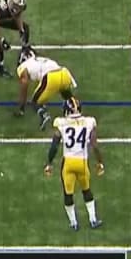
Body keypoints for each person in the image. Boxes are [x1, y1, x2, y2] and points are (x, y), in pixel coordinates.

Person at [44, 98, 104, 231]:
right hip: (82, 162)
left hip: (69, 163)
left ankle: (73, 223)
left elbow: (54, 145)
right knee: (87, 190)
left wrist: (49, 163)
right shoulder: (89, 122)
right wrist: (100, 162)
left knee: (68, 193)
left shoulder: (61, 123)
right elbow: (94, 145)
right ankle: (93, 219)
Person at [15, 46, 77, 130]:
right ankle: (76, 110)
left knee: (34, 102)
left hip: (52, 77)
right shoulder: (40, 59)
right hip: (65, 73)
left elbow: (24, 83)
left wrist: (21, 107)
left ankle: (44, 115)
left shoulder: (23, 66)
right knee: (67, 95)